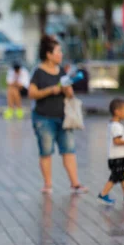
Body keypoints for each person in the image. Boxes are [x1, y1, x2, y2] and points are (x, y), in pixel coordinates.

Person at [29, 35, 88, 194]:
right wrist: (51, 90)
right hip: (43, 118)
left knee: (69, 150)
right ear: (48, 54)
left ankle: (75, 183)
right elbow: (32, 93)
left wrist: (67, 89)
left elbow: (70, 94)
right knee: (46, 152)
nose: (61, 55)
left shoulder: (62, 71)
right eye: (58, 51)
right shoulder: (38, 72)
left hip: (63, 118)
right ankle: (47, 184)